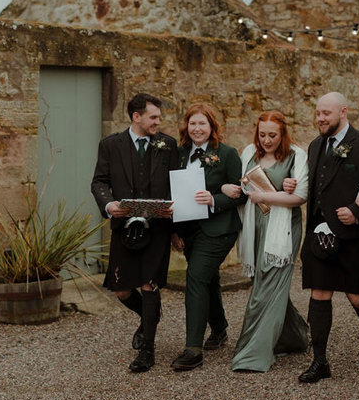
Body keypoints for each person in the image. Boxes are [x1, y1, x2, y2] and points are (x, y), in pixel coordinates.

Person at [292, 91, 359, 383]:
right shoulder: (315, 145)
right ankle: (320, 361)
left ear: (343, 112)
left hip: (354, 235)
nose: (321, 118)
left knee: (356, 295)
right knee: (319, 293)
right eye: (318, 113)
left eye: (327, 113)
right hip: (319, 236)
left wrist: (357, 212)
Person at [91, 93, 178, 373]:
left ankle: (148, 351)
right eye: (153, 117)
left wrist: (174, 213)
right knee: (121, 289)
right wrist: (108, 204)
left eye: (158, 117)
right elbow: (99, 182)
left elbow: (177, 184)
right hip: (124, 228)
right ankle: (150, 315)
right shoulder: (110, 145)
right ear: (136, 117)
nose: (158, 122)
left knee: (149, 284)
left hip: (158, 227)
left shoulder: (168, 145)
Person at [222, 111, 309, 372]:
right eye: (262, 134)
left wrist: (269, 197)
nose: (267, 140)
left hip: (283, 231)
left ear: (282, 134)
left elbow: (300, 197)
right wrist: (231, 188)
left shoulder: (296, 156)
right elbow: (240, 185)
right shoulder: (249, 152)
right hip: (255, 227)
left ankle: (252, 354)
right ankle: (295, 336)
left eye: (272, 135)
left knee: (265, 289)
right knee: (264, 283)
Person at [170, 103, 246, 371]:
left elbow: (242, 192)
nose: (197, 129)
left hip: (219, 229)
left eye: (202, 124)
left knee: (196, 277)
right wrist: (175, 231)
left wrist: (213, 199)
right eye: (192, 124)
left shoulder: (226, 154)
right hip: (189, 230)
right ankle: (220, 328)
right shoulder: (178, 154)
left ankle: (193, 349)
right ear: (186, 127)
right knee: (208, 279)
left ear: (212, 127)